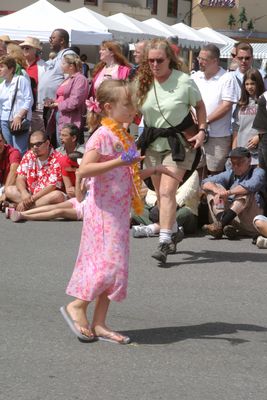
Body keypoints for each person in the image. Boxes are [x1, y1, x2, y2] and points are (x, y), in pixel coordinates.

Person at [60, 79, 179, 343]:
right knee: (108, 264)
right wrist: (118, 160)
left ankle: (100, 323)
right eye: (127, 104)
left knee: (116, 267)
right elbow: (85, 170)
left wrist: (154, 170)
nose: (132, 107)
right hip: (102, 212)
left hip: (118, 210)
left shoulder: (122, 135)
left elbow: (127, 173)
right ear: (107, 107)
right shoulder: (102, 135)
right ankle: (78, 305)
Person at [136, 38, 207, 263]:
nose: (155, 65)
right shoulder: (143, 81)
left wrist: (203, 130)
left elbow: (200, 106)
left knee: (167, 192)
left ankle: (165, 241)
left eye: (159, 60)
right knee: (159, 194)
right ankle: (174, 230)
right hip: (152, 142)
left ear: (170, 60)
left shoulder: (184, 81)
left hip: (179, 145)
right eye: (151, 61)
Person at [192, 44, 239, 175]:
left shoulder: (227, 78)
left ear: (215, 61)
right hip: (196, 132)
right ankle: (199, 195)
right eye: (199, 58)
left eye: (204, 59)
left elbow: (226, 105)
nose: (199, 61)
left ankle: (213, 196)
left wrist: (204, 121)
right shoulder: (195, 77)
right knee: (196, 169)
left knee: (215, 172)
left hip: (218, 135)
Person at [202, 147, 266, 240]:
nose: (235, 166)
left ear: (249, 161)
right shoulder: (231, 173)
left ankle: (221, 225)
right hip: (233, 218)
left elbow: (251, 185)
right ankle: (222, 224)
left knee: (243, 191)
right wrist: (217, 191)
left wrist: (228, 193)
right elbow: (205, 182)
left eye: (239, 163)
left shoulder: (258, 172)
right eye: (233, 163)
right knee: (213, 189)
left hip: (251, 220)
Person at [5, 130, 64, 212]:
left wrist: (32, 199)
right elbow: (20, 177)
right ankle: (33, 207)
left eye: (38, 144)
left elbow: (52, 186)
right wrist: (24, 193)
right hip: (29, 193)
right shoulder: (29, 155)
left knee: (57, 196)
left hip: (46, 194)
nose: (35, 147)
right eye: (32, 145)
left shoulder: (58, 158)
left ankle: (22, 207)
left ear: (47, 143)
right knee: (9, 190)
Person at [45, 53, 89, 147]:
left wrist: (57, 105)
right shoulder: (69, 78)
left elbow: (75, 101)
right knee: (61, 145)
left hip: (70, 119)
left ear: (71, 66)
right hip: (61, 116)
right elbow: (62, 97)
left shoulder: (80, 79)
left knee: (67, 146)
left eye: (63, 63)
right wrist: (53, 101)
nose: (61, 65)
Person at [38, 29, 75, 129]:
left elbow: (71, 80)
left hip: (57, 105)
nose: (50, 40)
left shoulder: (68, 54)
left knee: (57, 137)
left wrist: (60, 102)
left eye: (53, 38)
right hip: (49, 105)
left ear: (62, 40)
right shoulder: (58, 56)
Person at [0, 56, 33, 155]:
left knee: (19, 151)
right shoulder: (2, 85)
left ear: (11, 69)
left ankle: (21, 170)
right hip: (4, 120)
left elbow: (29, 100)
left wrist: (19, 116)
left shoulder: (21, 80)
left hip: (18, 120)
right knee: (9, 151)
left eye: (1, 66)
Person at [232, 68, 265, 166]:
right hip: (242, 154)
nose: (249, 87)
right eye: (247, 84)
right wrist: (234, 151)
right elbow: (236, 128)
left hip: (259, 154)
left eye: (252, 84)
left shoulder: (264, 101)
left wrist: (258, 137)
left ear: (258, 83)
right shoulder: (241, 103)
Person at [19, 37, 47, 132]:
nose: (24, 50)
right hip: (20, 107)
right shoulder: (19, 65)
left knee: (37, 134)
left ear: (36, 50)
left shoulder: (44, 66)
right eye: (23, 48)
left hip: (37, 107)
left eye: (28, 48)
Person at [0, 130, 21, 208]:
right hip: (2, 186)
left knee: (9, 191)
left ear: (4, 141)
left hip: (11, 186)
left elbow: (14, 171)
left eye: (0, 141)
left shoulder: (13, 152)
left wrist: (4, 194)